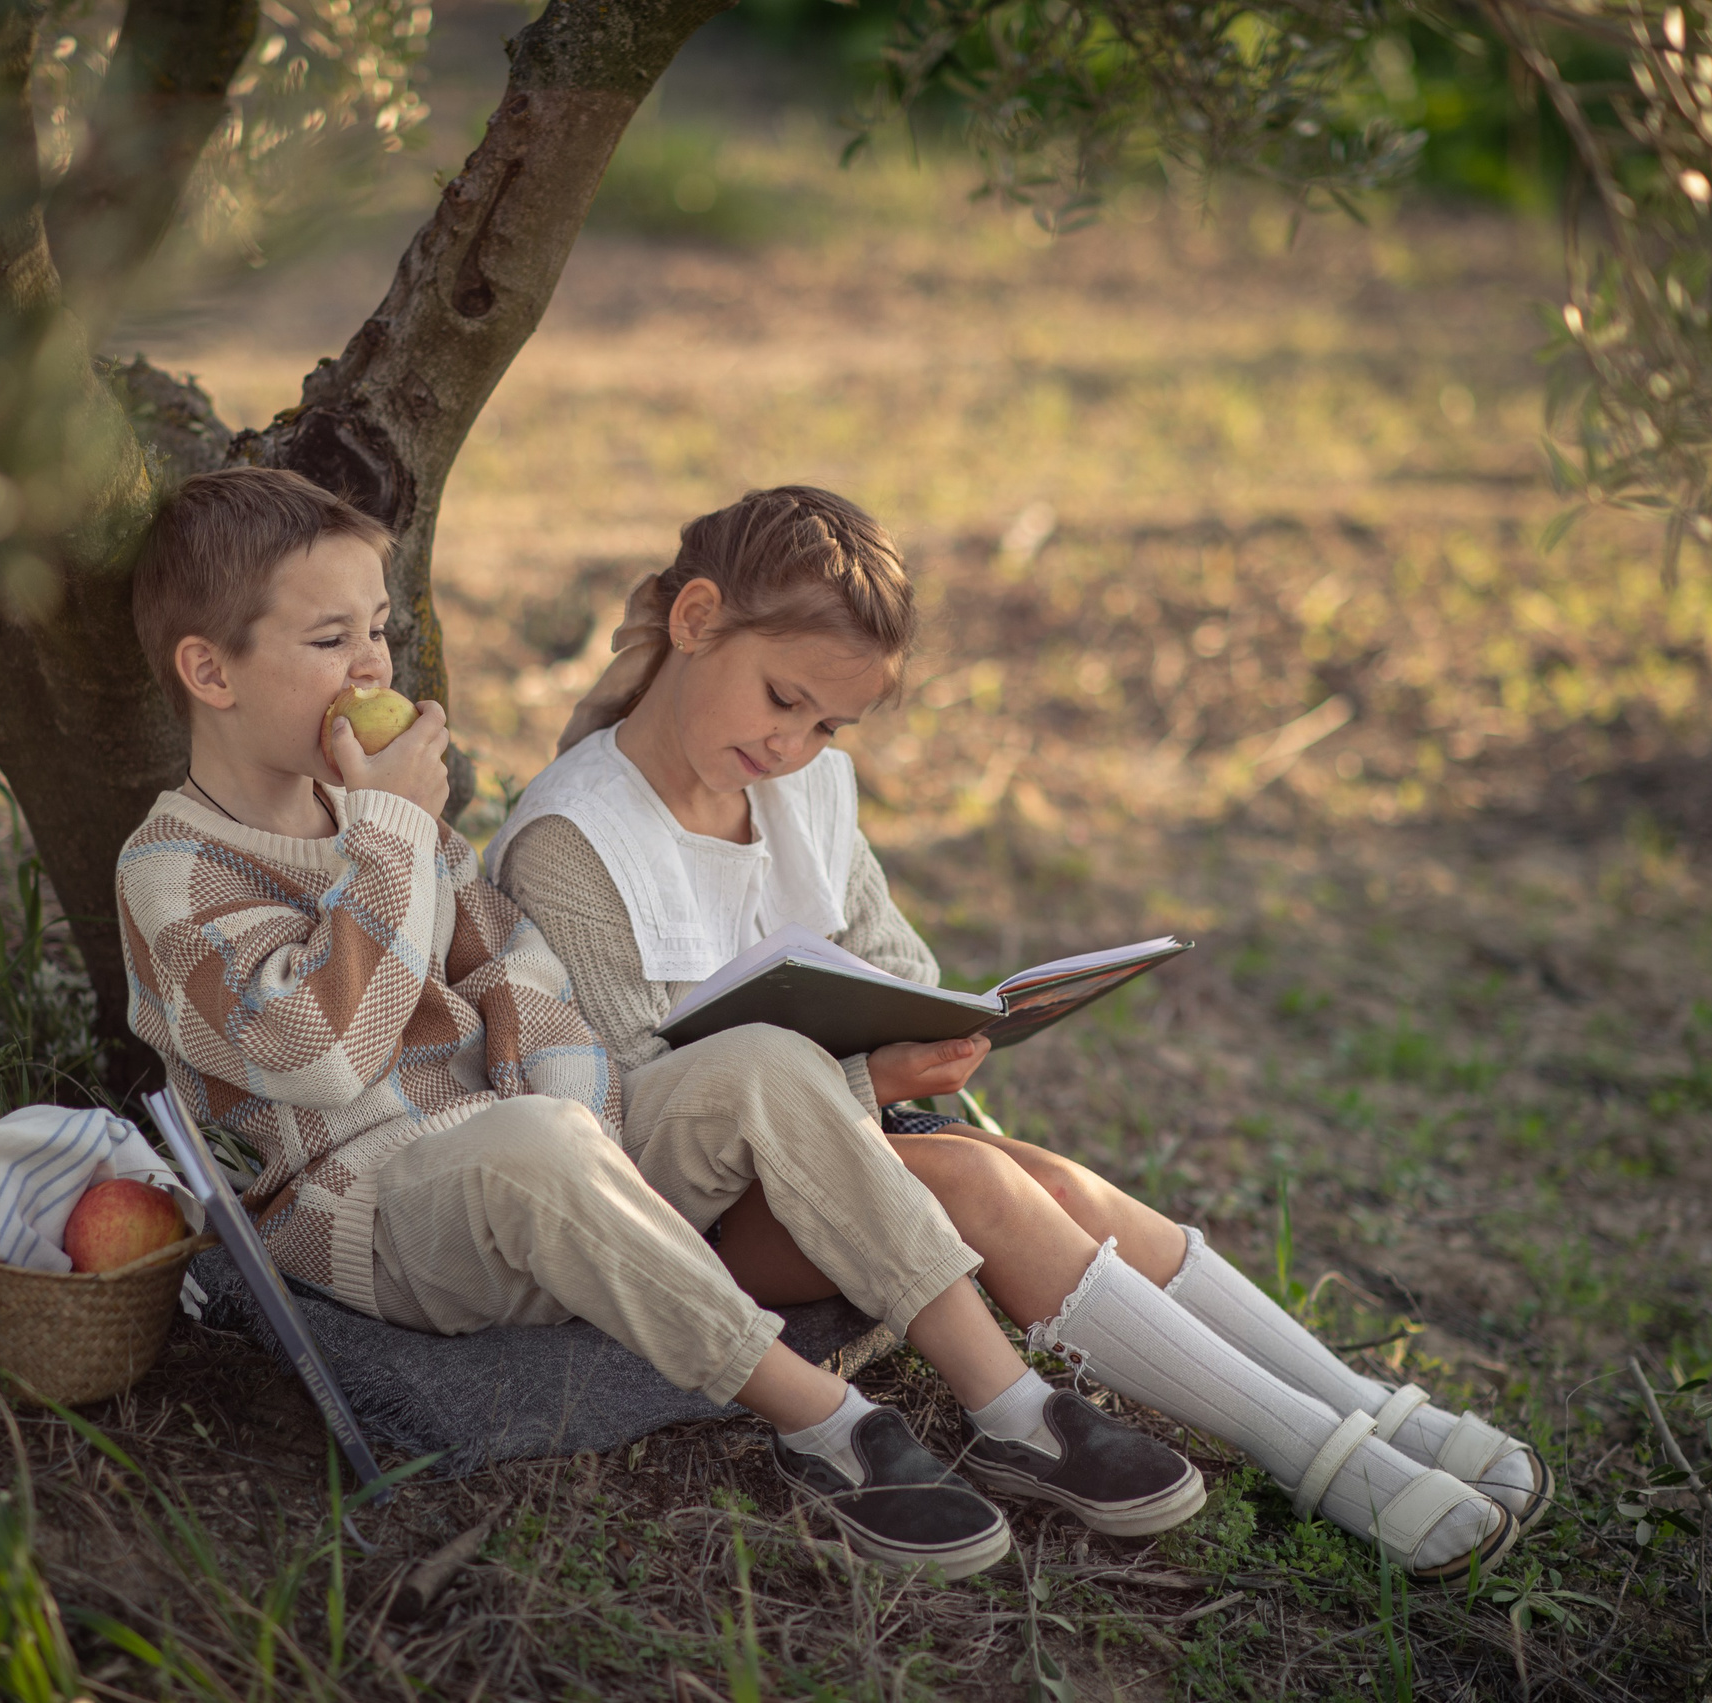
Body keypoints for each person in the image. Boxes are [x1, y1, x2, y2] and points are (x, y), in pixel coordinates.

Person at [113, 467, 1200, 1579]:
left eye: (380, 632)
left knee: (760, 1062)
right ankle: (830, 1423)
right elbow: (323, 1048)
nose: (371, 669)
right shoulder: (175, 873)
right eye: (330, 638)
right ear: (211, 669)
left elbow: (524, 979)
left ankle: (1009, 1401)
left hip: (548, 1161)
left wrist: (592, 1137)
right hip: (381, 1210)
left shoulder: (389, 823)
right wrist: (392, 830)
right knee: (529, 1144)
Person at [488, 485, 1546, 1580]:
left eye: (825, 725)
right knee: (974, 1185)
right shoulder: (574, 839)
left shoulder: (801, 796)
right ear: (695, 618)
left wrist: (920, 1034)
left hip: (825, 1143)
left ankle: (1364, 1404)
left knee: (1047, 1178)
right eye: (782, 699)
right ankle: (1320, 1456)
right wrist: (861, 1073)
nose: (792, 743)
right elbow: (620, 1121)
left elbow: (894, 961)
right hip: (683, 1212)